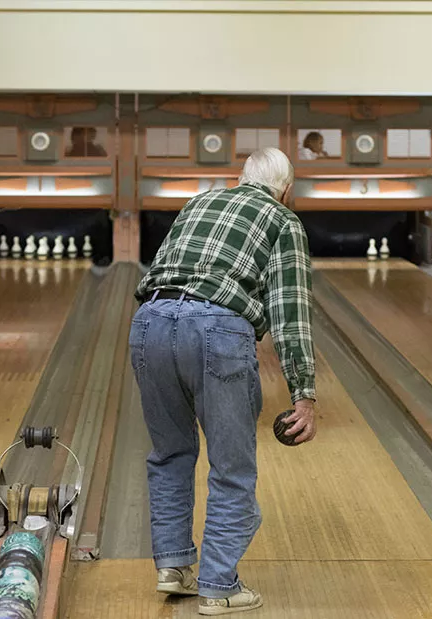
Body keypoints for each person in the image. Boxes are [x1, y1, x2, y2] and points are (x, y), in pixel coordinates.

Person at [130, 147, 317, 615]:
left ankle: (173, 566)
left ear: (240, 177)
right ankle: (219, 585)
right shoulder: (283, 219)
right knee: (232, 467)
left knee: (169, 454)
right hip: (217, 329)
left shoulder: (198, 201)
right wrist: (304, 394)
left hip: (150, 321)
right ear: (287, 190)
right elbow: (290, 312)